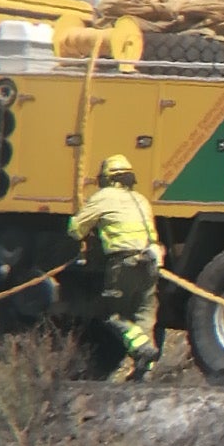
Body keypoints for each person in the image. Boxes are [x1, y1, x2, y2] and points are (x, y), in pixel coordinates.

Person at [68, 153, 164, 379]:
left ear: (107, 179)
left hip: (124, 263)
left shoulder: (104, 197)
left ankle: (141, 350)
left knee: (112, 315)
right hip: (151, 261)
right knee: (144, 316)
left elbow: (75, 229)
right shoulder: (141, 199)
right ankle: (144, 372)